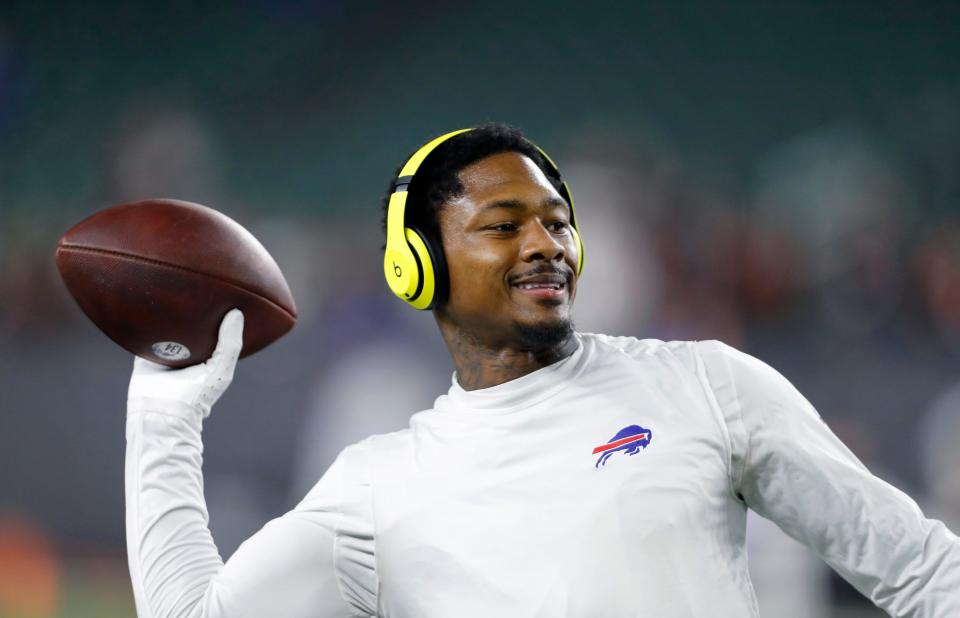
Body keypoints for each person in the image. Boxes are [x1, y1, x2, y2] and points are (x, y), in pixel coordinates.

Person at [124, 124, 960, 617]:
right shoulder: (376, 488)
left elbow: (922, 568)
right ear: (417, 264)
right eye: (501, 224)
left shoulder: (707, 383)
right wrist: (162, 422)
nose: (544, 245)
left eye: (558, 223)